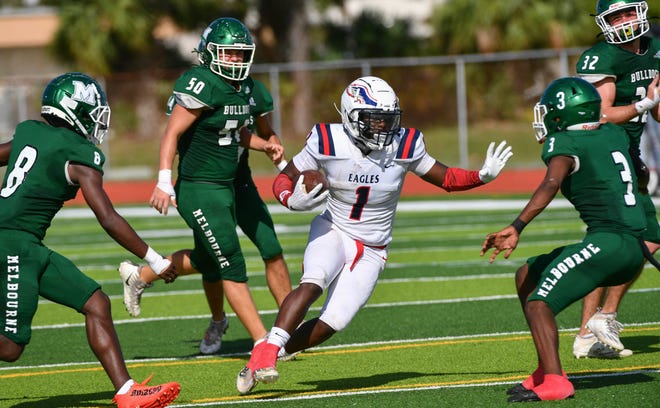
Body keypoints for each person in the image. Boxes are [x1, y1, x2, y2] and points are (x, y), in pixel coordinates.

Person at [235, 75, 513, 394]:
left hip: (373, 248)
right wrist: (290, 199)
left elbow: (445, 177)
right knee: (314, 281)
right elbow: (285, 179)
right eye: (374, 119)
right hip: (334, 229)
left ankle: (268, 354)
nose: (383, 126)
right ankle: (269, 352)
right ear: (351, 117)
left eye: (387, 119)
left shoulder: (405, 144)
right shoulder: (328, 139)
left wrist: (482, 176)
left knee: (334, 322)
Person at [0, 72, 180, 408]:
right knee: (10, 347)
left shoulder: (30, 131)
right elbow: (108, 218)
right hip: (14, 245)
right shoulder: (79, 153)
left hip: (26, 244)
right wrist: (154, 259)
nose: (98, 121)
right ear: (74, 110)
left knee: (96, 303)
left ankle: (126, 392)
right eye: (93, 111)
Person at [117, 17, 286, 355]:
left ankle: (288, 327)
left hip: (238, 180)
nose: (236, 60)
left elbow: (243, 130)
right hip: (201, 185)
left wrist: (277, 158)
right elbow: (173, 133)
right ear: (210, 53)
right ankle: (248, 335)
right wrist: (164, 181)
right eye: (229, 53)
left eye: (240, 53)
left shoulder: (249, 87)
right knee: (224, 260)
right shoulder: (200, 83)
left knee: (267, 250)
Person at [481, 77, 648, 402]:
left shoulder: (564, 143)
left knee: (539, 303)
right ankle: (545, 370)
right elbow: (641, 176)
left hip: (609, 243)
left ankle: (556, 381)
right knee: (527, 274)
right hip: (631, 246)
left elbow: (550, 183)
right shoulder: (612, 133)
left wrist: (517, 226)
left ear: (562, 115)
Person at [574, 0, 660, 358]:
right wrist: (642, 105)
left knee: (629, 239)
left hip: (629, 153)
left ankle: (587, 335)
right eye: (615, 16)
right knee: (637, 238)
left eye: (628, 12)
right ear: (604, 22)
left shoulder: (654, 49)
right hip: (602, 152)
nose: (624, 21)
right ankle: (602, 317)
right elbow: (601, 114)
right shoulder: (600, 57)